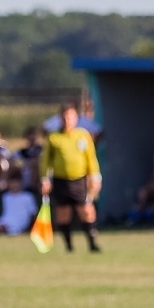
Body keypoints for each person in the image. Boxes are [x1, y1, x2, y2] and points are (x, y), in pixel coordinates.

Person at [40, 103, 102, 253]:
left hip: (80, 179)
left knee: (86, 210)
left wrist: (95, 176)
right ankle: (69, 246)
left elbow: (91, 158)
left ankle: (92, 244)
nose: (67, 119)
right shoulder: (53, 137)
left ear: (76, 118)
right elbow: (45, 161)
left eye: (71, 116)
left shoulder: (83, 135)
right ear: (60, 118)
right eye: (65, 117)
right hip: (60, 180)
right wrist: (44, 179)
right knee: (63, 213)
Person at [0, 171, 39, 235]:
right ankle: (4, 228)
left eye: (17, 182)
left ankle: (6, 229)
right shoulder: (6, 196)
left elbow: (33, 213)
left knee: (13, 226)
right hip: (7, 218)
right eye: (12, 183)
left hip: (21, 220)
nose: (15, 185)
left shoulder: (28, 196)